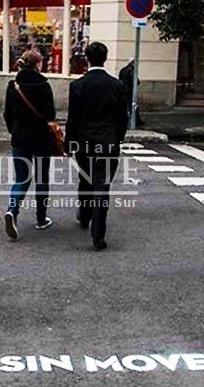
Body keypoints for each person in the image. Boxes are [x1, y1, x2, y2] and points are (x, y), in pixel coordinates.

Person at [66, 42, 129, 251]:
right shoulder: (117, 85)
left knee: (85, 179)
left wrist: (69, 142)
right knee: (102, 185)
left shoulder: (77, 85)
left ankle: (84, 215)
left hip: (84, 142)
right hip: (108, 142)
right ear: (105, 58)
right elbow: (122, 117)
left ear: (87, 58)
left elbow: (72, 118)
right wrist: (118, 138)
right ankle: (98, 235)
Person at [3, 50, 57, 239]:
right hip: (41, 138)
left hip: (20, 138)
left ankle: (12, 210)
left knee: (21, 179)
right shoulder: (44, 85)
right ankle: (41, 219)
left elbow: (7, 114)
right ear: (37, 64)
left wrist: (14, 130)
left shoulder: (13, 85)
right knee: (42, 178)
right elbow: (50, 114)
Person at [118, 60, 143, 126]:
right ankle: (136, 121)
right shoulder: (131, 70)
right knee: (133, 106)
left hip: (123, 90)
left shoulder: (123, 70)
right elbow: (135, 81)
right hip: (130, 91)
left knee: (125, 106)